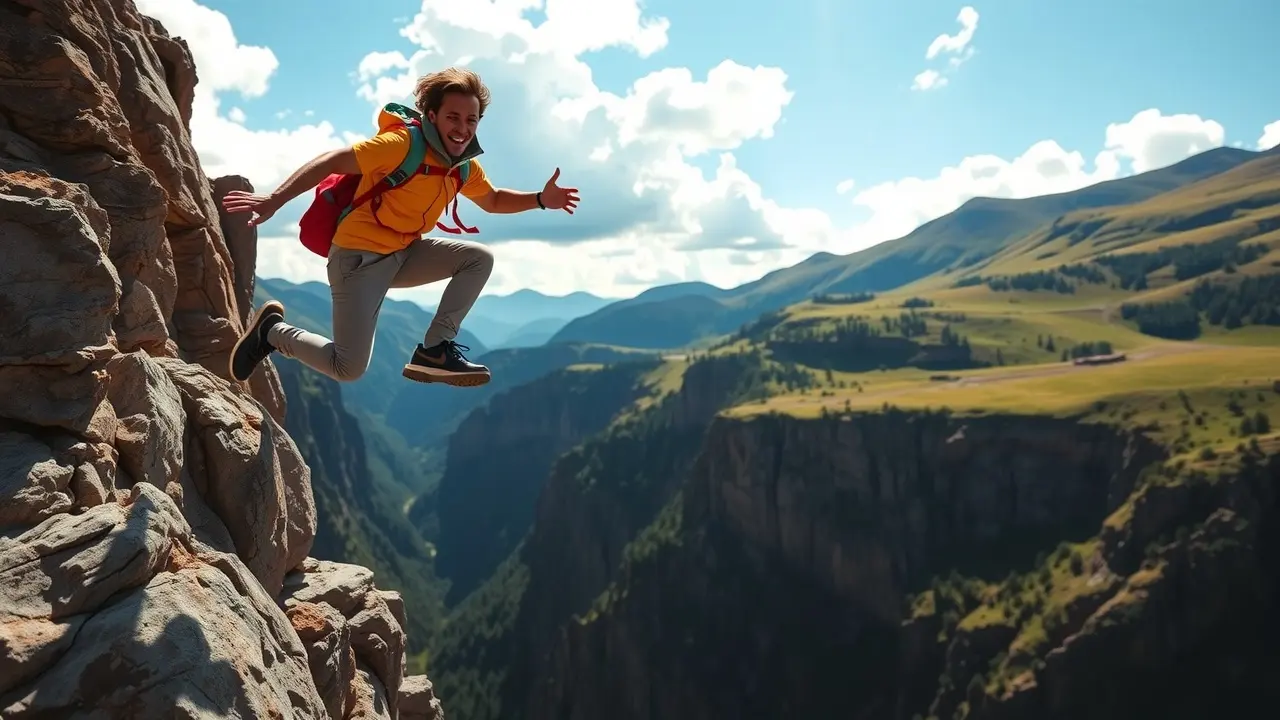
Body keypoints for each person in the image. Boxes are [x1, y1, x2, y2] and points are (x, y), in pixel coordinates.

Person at [221, 67, 580, 388]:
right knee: (347, 368)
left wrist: (539, 199)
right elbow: (332, 160)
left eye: (471, 120)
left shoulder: (462, 167)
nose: (463, 128)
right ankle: (273, 333)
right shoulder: (401, 144)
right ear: (432, 115)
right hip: (357, 259)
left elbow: (494, 200)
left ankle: (435, 349)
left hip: (403, 253)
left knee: (478, 259)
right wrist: (275, 199)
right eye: (453, 117)